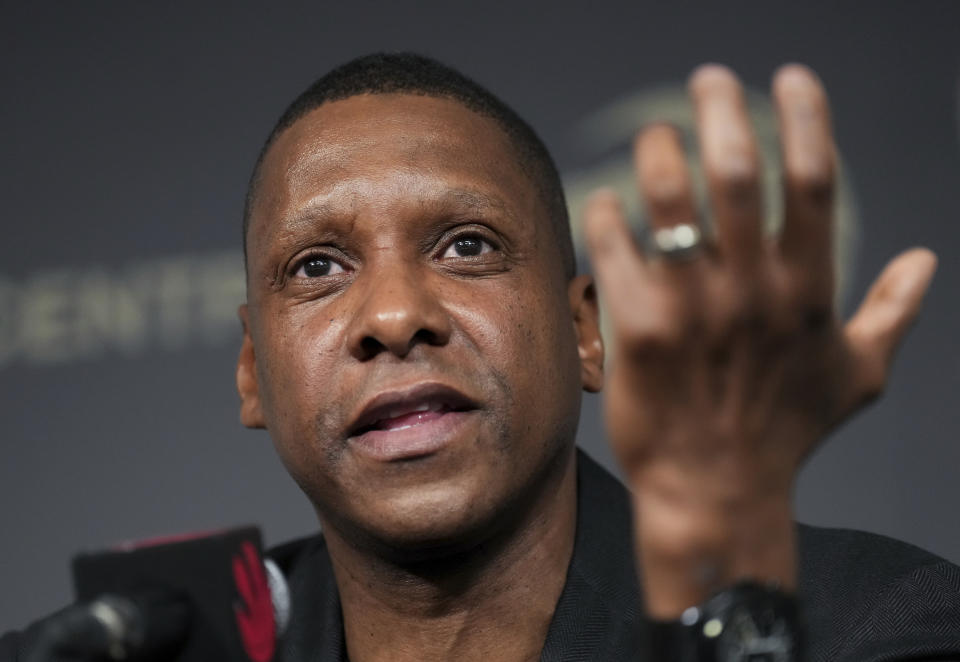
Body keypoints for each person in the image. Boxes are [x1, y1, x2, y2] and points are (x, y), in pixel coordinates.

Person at [4, 52, 960, 661]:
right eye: (318, 265)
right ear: (254, 372)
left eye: (467, 245)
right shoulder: (133, 652)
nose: (391, 314)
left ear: (586, 329)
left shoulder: (874, 624)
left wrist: (716, 594)